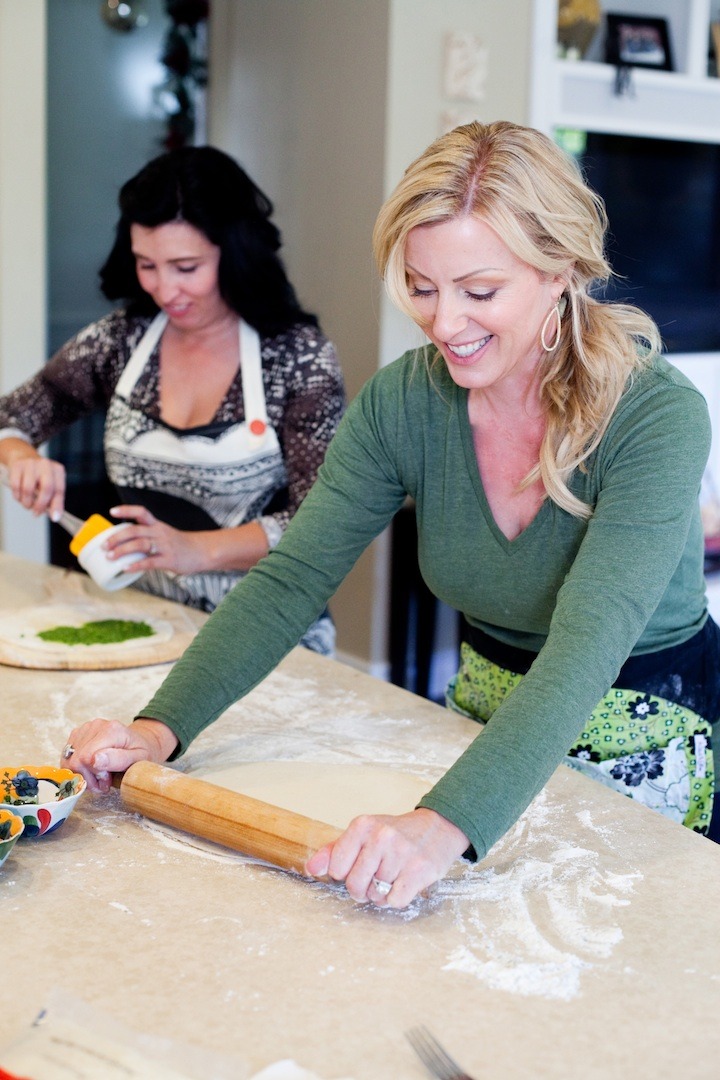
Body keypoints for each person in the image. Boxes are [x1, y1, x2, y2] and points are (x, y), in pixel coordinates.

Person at [61, 121, 720, 908]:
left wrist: (444, 824)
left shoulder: (656, 415)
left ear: (563, 271)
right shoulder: (406, 402)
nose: (445, 325)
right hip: (484, 714)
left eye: (480, 291)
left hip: (644, 724)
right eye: (421, 286)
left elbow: (590, 639)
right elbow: (293, 577)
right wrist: (160, 728)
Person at [0, 146, 344, 652]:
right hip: (145, 621)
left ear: (235, 251)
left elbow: (325, 525)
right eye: (147, 265)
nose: (165, 289)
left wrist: (194, 550)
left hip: (267, 633)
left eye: (186, 267)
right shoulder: (122, 339)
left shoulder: (296, 356)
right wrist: (21, 454)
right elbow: (14, 415)